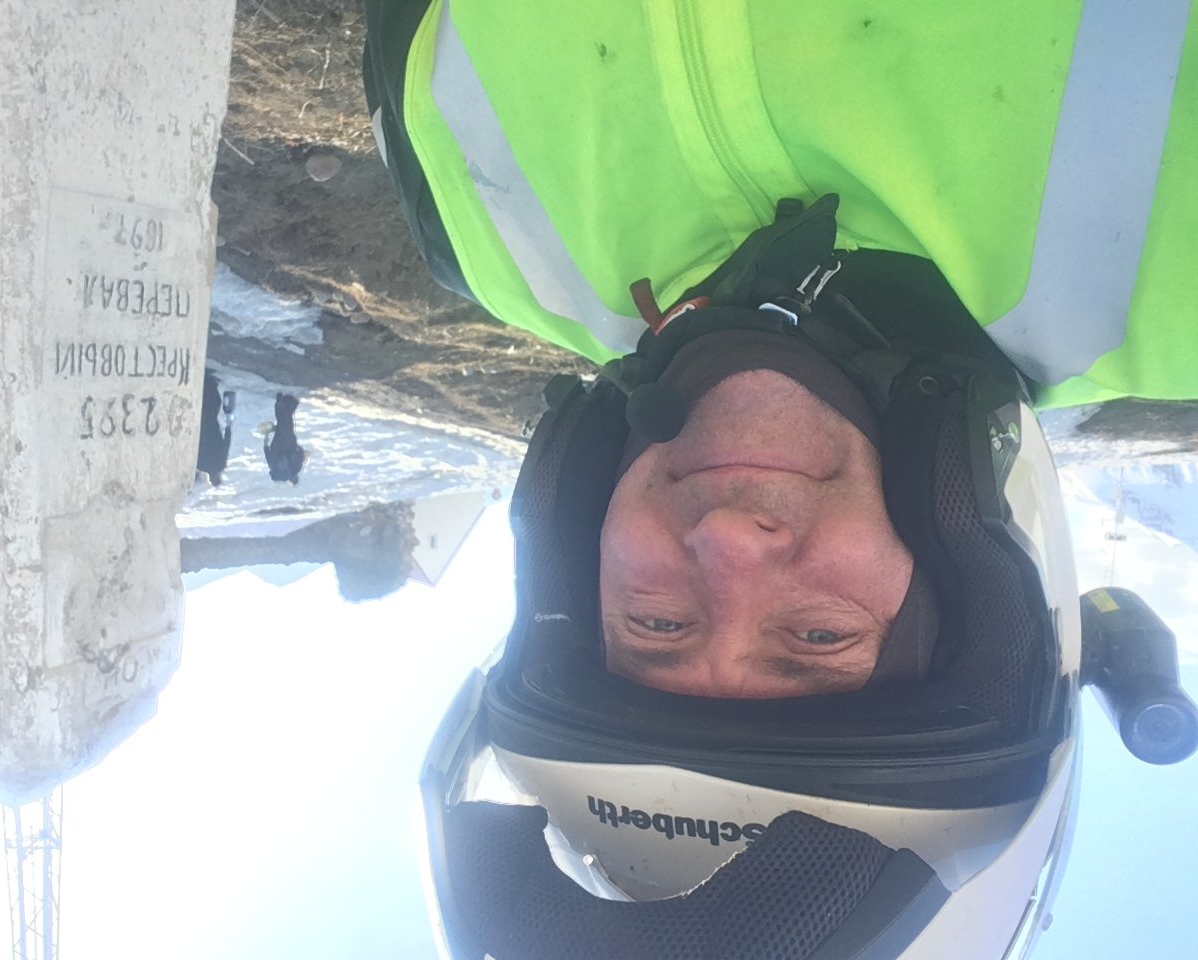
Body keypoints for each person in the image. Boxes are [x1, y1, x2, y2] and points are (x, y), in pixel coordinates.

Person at [364, 3, 1198, 957]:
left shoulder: (482, 236)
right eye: (818, 635)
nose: (724, 543)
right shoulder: (1174, 279)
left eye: (656, 624)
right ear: (959, 565)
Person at [195, 371, 233, 487]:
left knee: (213, 405)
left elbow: (226, 444)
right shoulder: (201, 465)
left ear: (219, 476)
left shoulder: (221, 464)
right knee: (203, 408)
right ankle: (202, 383)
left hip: (213, 431)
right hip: (201, 431)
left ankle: (210, 383)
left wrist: (228, 428)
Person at [264, 392, 308, 484]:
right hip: (277, 445)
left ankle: (285, 403)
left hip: (290, 444)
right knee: (283, 423)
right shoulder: (275, 470)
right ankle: (286, 403)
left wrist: (298, 447)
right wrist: (266, 440)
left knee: (287, 423)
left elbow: (301, 454)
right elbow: (268, 456)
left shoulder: (296, 469)